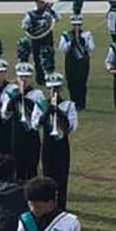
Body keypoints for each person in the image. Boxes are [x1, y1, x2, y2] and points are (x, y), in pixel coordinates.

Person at [34, 68, 77, 209]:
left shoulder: (69, 105)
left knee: (62, 178)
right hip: (47, 144)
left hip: (62, 145)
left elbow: (72, 127)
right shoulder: (41, 104)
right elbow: (36, 124)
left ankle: (61, 206)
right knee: (47, 177)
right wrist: (47, 111)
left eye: (57, 89)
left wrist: (58, 111)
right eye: (52, 89)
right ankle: (49, 206)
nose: (54, 92)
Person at [1, 56, 44, 182]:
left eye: (26, 77)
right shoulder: (11, 93)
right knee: (18, 167)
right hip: (16, 134)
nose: (24, 80)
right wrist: (15, 99)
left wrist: (29, 102)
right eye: (21, 77)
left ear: (31, 78)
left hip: (32, 134)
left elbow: (40, 116)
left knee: (32, 166)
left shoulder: (37, 94)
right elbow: (4, 114)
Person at [58, 11, 94, 111]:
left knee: (81, 82)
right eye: (75, 25)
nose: (76, 27)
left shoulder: (87, 34)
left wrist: (83, 42)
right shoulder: (66, 35)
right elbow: (61, 49)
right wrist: (70, 43)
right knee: (71, 82)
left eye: (78, 25)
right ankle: (74, 102)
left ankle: (81, 103)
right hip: (71, 60)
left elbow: (91, 47)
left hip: (83, 61)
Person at [21, 0, 58, 86]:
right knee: (37, 59)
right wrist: (32, 29)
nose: (40, 4)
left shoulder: (49, 13)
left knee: (49, 57)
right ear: (36, 3)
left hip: (47, 38)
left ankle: (49, 76)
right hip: (35, 40)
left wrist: (50, 10)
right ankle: (40, 78)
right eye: (39, 2)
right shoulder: (31, 14)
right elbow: (24, 25)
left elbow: (58, 18)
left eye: (42, 2)